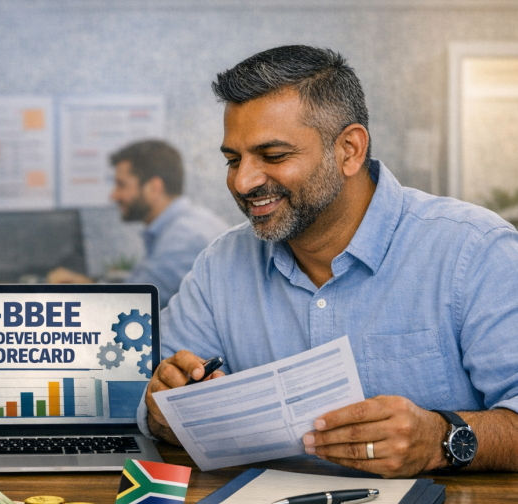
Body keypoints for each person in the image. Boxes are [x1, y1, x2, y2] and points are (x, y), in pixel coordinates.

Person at [143, 45, 518, 477]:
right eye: (232, 160)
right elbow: (151, 406)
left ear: (349, 149)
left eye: (274, 156)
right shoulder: (221, 265)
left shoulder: (474, 251)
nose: (243, 182)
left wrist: (440, 439)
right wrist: (164, 407)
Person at [47, 139, 227, 308]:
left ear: (154, 188)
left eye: (121, 185)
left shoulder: (184, 237)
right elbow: (144, 287)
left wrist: (79, 291)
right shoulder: (182, 225)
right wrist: (89, 285)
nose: (114, 195)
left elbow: (131, 304)